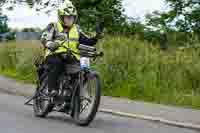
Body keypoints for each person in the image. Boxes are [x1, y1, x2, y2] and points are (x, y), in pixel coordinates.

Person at [40, 0, 102, 96]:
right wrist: (49, 44)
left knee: (78, 74)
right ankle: (52, 89)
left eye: (72, 17)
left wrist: (96, 37)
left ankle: (69, 100)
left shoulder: (76, 29)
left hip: (71, 56)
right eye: (67, 17)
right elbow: (44, 37)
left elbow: (87, 41)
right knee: (58, 64)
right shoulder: (54, 26)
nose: (70, 20)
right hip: (54, 54)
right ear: (61, 17)